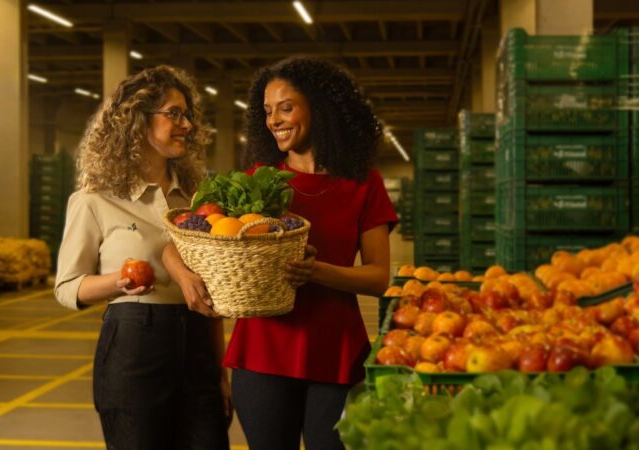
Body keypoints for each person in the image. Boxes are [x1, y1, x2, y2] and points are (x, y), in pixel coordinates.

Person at [223, 57, 398, 450]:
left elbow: (377, 277)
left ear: (320, 108)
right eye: (267, 111)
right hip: (263, 351)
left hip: (335, 352)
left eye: (286, 107)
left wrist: (315, 271)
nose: (274, 120)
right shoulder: (258, 183)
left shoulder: (363, 183)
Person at [54, 65, 231, 450]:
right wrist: (118, 282)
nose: (186, 124)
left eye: (188, 115)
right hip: (134, 345)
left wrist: (221, 372)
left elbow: (210, 297)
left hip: (198, 343)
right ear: (138, 122)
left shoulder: (197, 199)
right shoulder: (95, 199)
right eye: (174, 114)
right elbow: (68, 287)